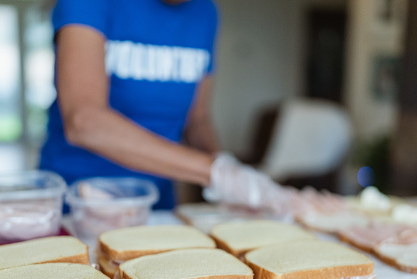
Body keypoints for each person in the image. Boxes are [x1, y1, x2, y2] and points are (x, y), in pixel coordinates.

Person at [39, 0, 287, 211]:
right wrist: (214, 172)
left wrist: (231, 177)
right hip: (78, 197)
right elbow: (84, 121)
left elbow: (197, 118)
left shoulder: (206, 12)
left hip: (156, 196)